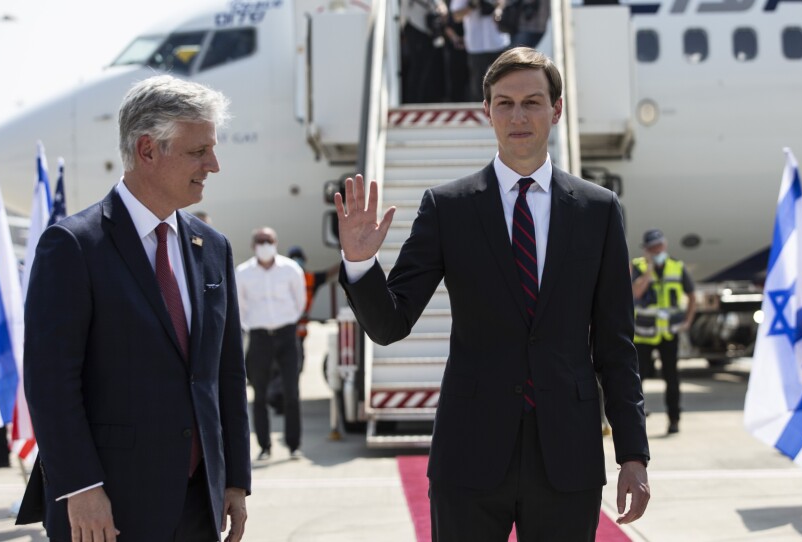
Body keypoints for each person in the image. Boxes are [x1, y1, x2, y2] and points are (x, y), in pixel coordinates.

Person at [336, 47, 649, 541]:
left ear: (557, 109)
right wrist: (360, 263)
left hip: (567, 456)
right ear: (487, 112)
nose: (518, 116)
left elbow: (616, 345)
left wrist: (633, 453)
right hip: (470, 454)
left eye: (532, 102)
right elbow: (390, 325)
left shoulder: (598, 210)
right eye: (504, 103)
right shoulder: (447, 207)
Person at [15, 75, 250, 541]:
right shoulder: (73, 246)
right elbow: (50, 383)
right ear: (147, 150)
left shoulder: (213, 248)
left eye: (212, 148)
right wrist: (81, 487)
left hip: (199, 505)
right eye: (198, 151)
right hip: (107, 510)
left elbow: (226, 373)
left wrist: (235, 479)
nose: (214, 164)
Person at [236, 227, 306, 461]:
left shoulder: (290, 269)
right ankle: (264, 446)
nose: (264, 244)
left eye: (268, 240)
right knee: (259, 393)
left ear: (276, 242)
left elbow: (300, 301)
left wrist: (286, 322)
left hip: (286, 334)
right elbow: (240, 306)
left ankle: (293, 444)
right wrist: (254, 324)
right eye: (260, 241)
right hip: (259, 337)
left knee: (291, 392)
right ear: (253, 245)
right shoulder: (243, 273)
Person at [631, 228, 696, 434]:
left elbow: (692, 295)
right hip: (643, 333)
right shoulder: (637, 267)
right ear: (646, 250)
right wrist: (649, 269)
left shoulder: (676, 266)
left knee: (672, 378)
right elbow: (634, 293)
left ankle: (674, 419)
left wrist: (688, 321)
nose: (656, 250)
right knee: (638, 378)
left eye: (659, 246)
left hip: (668, 333)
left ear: (665, 245)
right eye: (652, 247)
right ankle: (637, 419)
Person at [286, 246, 339, 372]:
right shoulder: (291, 279)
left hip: (296, 332)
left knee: (294, 366)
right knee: (291, 366)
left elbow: (329, 273)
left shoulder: (309, 279)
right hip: (287, 331)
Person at [450, 0, 510, 102]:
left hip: (498, 42)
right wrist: (472, 5)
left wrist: (498, 9)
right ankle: (479, 112)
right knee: (478, 86)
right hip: (476, 45)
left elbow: (503, 2)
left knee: (504, 81)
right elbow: (456, 16)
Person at [401, 0, 448, 103]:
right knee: (417, 67)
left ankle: (423, 100)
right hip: (415, 26)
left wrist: (441, 7)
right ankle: (413, 102)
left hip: (429, 30)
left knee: (427, 68)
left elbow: (440, 5)